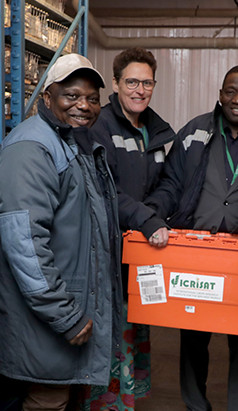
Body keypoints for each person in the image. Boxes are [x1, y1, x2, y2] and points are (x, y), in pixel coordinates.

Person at [146, 65, 238, 411]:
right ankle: (195, 405)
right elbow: (171, 183)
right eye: (231, 91)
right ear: (220, 94)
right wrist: (151, 214)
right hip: (199, 255)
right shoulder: (194, 133)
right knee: (193, 337)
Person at [0, 53, 121, 411]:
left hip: (58, 322)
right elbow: (25, 246)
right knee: (46, 402)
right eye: (71, 95)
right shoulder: (31, 148)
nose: (83, 105)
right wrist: (65, 315)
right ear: (46, 97)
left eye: (91, 98)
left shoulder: (71, 141)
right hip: (44, 325)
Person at [80, 47, 176, 410]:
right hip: (107, 255)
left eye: (147, 82)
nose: (140, 89)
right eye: (131, 81)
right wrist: (144, 218)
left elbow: (170, 184)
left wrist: (151, 213)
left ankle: (127, 402)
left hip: (141, 253)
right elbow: (103, 190)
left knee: (135, 329)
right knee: (110, 335)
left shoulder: (156, 129)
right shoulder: (99, 125)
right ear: (117, 84)